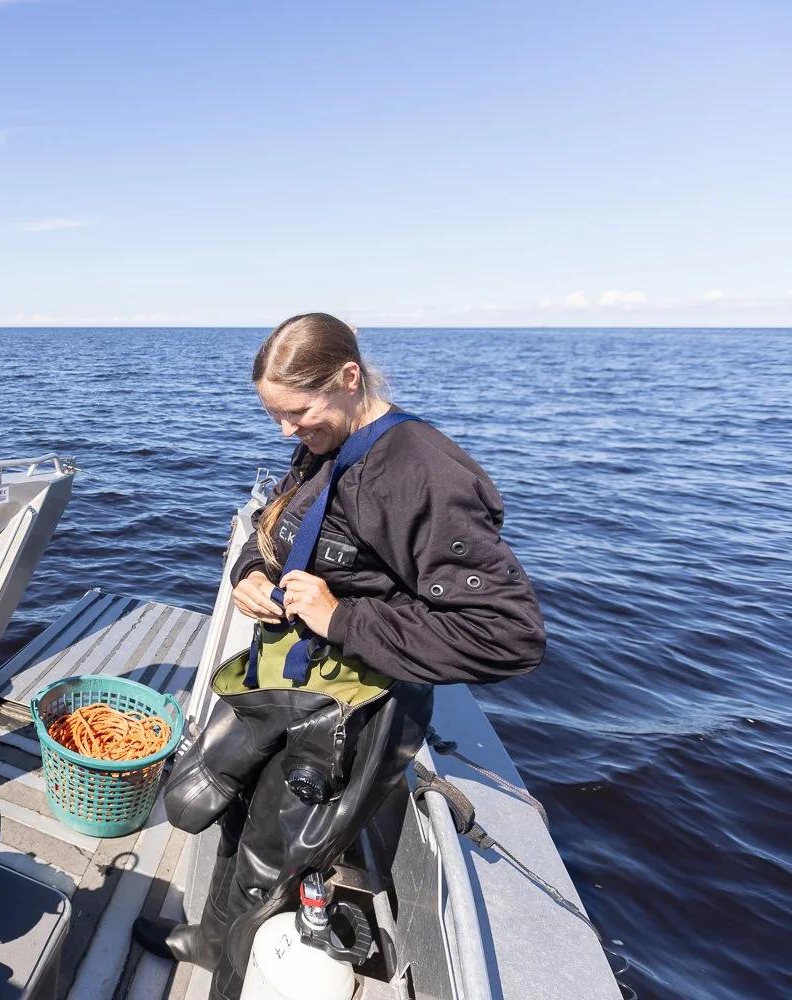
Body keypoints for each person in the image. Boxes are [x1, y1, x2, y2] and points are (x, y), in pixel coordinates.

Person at [133, 313, 546, 998]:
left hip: (349, 720)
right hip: (286, 689)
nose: (286, 432)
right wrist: (249, 576)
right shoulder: (332, 443)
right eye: (276, 417)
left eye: (297, 413)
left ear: (349, 378)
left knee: (276, 858)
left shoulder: (420, 471)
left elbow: (507, 634)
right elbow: (276, 522)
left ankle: (234, 978)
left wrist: (341, 615)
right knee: (223, 810)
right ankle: (211, 937)